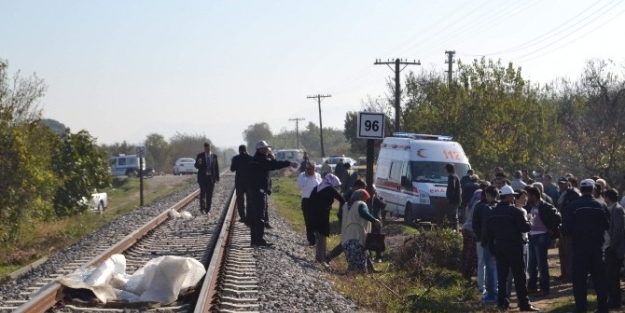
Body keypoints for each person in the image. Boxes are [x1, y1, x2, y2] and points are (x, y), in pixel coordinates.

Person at [484, 185, 537, 311]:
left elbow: (489, 235)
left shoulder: (492, 213)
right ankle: (524, 303)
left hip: (499, 248)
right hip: (515, 247)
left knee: (502, 278)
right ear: (508, 197)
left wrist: (493, 251)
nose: (513, 199)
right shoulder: (516, 212)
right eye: (512, 196)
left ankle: (502, 303)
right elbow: (525, 228)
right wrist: (529, 221)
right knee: (520, 277)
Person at [562, 179, 610, 313]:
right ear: (593, 189)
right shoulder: (600, 205)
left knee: (579, 280)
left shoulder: (573, 206)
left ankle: (581, 308)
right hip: (596, 247)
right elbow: (607, 225)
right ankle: (602, 307)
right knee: (599, 279)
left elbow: (565, 228)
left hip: (579, 248)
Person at [247, 140, 298, 247]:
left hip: (254, 190)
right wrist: (289, 163)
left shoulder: (254, 159)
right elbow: (274, 165)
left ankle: (254, 239)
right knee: (260, 216)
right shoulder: (260, 160)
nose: (267, 150)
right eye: (265, 149)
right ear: (260, 149)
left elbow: (272, 164)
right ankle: (259, 239)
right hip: (259, 191)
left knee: (255, 216)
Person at [525, 186, 561, 297]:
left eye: (528, 195)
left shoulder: (545, 206)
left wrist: (552, 229)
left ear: (534, 196)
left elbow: (558, 217)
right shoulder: (529, 207)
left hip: (541, 236)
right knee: (531, 264)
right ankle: (532, 287)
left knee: (542, 264)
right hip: (531, 237)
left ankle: (544, 288)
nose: (526, 198)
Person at [326, 179, 367, 264]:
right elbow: (341, 212)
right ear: (357, 187)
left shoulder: (353, 195)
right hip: (348, 224)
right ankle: (329, 256)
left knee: (357, 242)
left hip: (353, 224)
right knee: (346, 243)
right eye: (362, 189)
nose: (363, 192)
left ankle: (329, 256)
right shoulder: (348, 196)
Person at [341, 189, 381, 273]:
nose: (366, 200)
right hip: (357, 236)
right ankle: (357, 274)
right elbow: (364, 213)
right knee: (360, 265)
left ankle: (369, 269)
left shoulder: (346, 205)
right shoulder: (360, 204)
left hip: (346, 238)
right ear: (362, 197)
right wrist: (374, 220)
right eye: (366, 198)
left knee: (355, 259)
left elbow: (339, 215)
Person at [309, 174, 345, 263]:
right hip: (323, 215)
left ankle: (318, 258)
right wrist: (343, 212)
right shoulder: (329, 189)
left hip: (314, 214)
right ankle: (321, 259)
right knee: (322, 236)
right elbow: (342, 200)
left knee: (318, 236)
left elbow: (310, 200)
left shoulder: (317, 188)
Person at [604, 188, 625, 309]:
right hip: (609, 247)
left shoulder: (617, 210)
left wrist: (612, 246)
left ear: (608, 197)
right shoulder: (611, 209)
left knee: (613, 276)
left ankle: (615, 301)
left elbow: (618, 230)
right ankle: (612, 299)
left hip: (615, 249)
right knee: (610, 276)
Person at [556, 176, 580, 283]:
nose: (561, 185)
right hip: (562, 227)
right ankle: (564, 273)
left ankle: (569, 275)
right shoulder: (562, 194)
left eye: (563, 183)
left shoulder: (573, 194)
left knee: (569, 252)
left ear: (568, 183)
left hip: (570, 228)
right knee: (562, 252)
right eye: (560, 183)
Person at [296, 160, 322, 246]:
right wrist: (306, 177)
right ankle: (311, 240)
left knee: (317, 220)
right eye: (310, 169)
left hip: (317, 201)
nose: (312, 170)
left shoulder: (317, 176)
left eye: (313, 169)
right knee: (309, 221)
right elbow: (299, 186)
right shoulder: (302, 175)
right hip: (307, 200)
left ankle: (318, 238)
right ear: (307, 169)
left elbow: (321, 186)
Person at [194, 142, 219, 214]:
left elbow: (216, 168)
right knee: (203, 192)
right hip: (202, 178)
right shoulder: (200, 156)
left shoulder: (214, 156)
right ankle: (202, 208)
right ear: (204, 148)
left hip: (211, 178)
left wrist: (217, 178)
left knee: (209, 194)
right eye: (206, 148)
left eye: (208, 148)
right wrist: (199, 163)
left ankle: (208, 209)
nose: (207, 150)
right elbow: (196, 166)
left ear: (210, 148)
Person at [230, 144, 253, 223]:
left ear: (239, 150)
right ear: (246, 150)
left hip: (239, 182)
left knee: (240, 200)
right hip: (249, 182)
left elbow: (232, 169)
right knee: (249, 200)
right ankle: (249, 217)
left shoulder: (235, 158)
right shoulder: (251, 158)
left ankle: (242, 217)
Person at [444, 163, 461, 229]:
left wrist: (448, 198)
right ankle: (456, 230)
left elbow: (451, 188)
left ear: (447, 169)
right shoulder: (455, 175)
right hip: (457, 199)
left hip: (453, 200)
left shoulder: (452, 176)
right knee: (454, 216)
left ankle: (453, 230)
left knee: (451, 216)